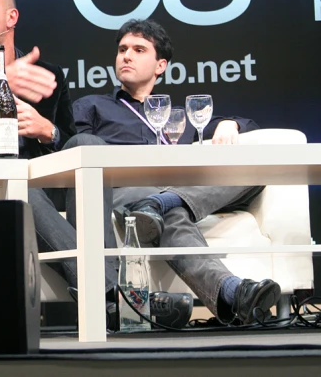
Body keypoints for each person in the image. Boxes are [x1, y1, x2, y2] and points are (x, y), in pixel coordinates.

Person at [0, 0, 192, 328]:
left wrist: (46, 130)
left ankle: (107, 295)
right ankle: (116, 294)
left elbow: (70, 141)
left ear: (11, 16)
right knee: (20, 186)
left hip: (45, 179)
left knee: (90, 147)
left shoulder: (48, 74)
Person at [73, 18, 281, 324]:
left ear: (160, 66)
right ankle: (233, 291)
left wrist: (230, 123)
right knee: (171, 212)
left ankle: (166, 201)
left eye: (138, 49)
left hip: (176, 189)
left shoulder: (179, 116)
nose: (126, 56)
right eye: (122, 49)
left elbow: (247, 124)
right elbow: (72, 153)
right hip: (121, 190)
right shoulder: (92, 106)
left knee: (258, 170)